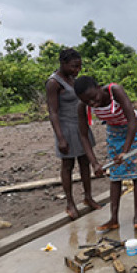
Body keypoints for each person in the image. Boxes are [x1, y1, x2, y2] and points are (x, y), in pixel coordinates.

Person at [74, 76, 137, 232]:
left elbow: (132, 121)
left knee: (136, 174)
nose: (92, 103)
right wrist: (94, 163)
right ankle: (113, 219)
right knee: (115, 175)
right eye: (88, 102)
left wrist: (125, 151)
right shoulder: (82, 105)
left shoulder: (114, 91)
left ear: (98, 87)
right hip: (114, 132)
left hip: (134, 131)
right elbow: (83, 135)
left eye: (93, 98)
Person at [45, 48, 101, 220]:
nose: (77, 70)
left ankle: (88, 197)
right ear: (63, 63)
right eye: (74, 66)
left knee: (85, 163)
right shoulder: (54, 83)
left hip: (81, 126)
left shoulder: (72, 79)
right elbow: (53, 112)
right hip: (66, 129)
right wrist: (60, 138)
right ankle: (70, 203)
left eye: (79, 67)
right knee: (68, 165)